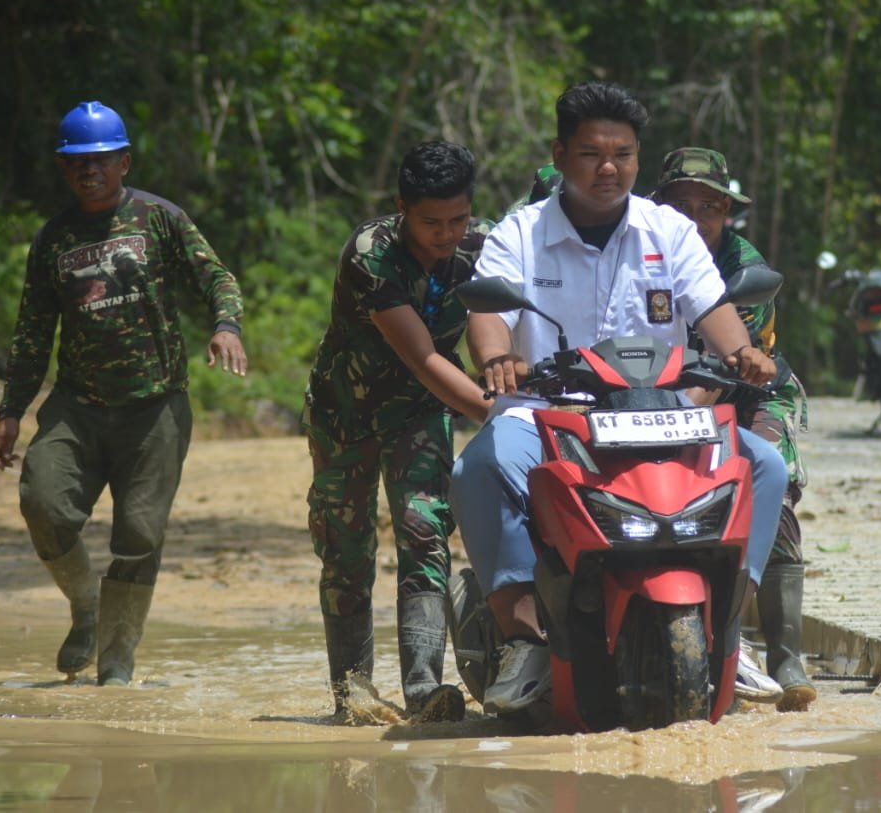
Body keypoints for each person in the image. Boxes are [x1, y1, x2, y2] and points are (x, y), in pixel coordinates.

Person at [449, 81, 789, 716]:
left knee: (763, 466)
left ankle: (730, 635)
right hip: (551, 413)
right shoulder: (519, 233)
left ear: (638, 157)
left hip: (661, 411)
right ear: (560, 153)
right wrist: (497, 358)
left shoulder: (669, 230)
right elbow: (488, 307)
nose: (609, 169)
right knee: (481, 464)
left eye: (623, 155)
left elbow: (711, 306)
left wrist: (741, 351)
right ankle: (523, 637)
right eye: (591, 154)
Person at [0, 100, 247, 686]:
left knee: (140, 537)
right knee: (42, 502)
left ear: (123, 162)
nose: (89, 171)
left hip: (155, 409)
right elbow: (32, 331)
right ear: (63, 169)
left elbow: (218, 278)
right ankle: (86, 607)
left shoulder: (160, 218)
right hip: (77, 406)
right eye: (77, 163)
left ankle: (116, 668)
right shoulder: (53, 240)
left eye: (101, 160)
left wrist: (225, 325)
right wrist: (10, 412)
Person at [303, 141, 493, 723]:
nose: (446, 234)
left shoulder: (483, 246)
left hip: (419, 414)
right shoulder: (371, 254)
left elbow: (489, 321)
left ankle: (422, 692)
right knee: (347, 547)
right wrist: (499, 412)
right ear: (401, 208)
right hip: (346, 416)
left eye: (457, 219)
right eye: (430, 221)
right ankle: (352, 695)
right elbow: (422, 357)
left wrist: (499, 379)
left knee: (423, 528)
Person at [652, 147, 817, 711]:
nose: (697, 219)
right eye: (683, 205)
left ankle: (784, 656)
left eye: (711, 207)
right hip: (662, 397)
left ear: (727, 213)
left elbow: (730, 368)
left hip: (751, 394)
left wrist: (663, 419)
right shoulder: (641, 251)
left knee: (769, 491)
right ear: (659, 207)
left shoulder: (745, 267)